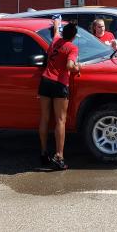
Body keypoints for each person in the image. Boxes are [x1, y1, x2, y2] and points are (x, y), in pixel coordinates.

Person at [38, 18, 81, 170]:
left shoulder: (54, 42)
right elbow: (70, 65)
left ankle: (43, 153)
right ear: (74, 36)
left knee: (44, 117)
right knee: (60, 120)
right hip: (59, 84)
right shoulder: (72, 48)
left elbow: (56, 33)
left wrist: (56, 24)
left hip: (45, 80)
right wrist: (77, 67)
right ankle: (59, 156)